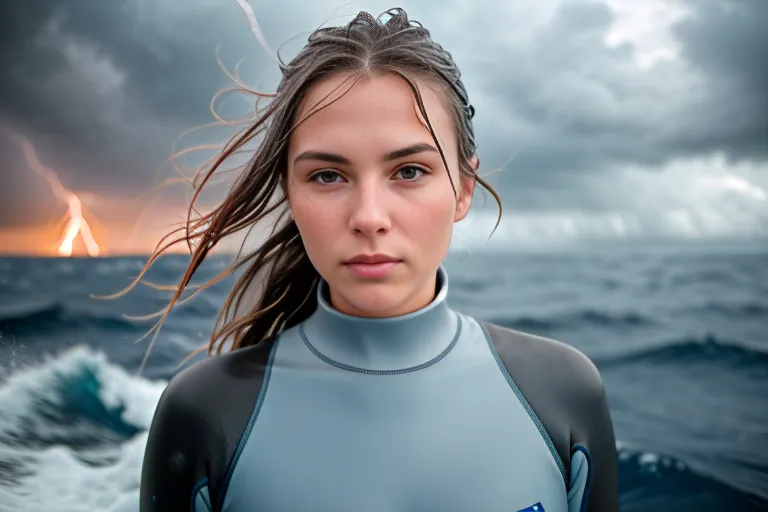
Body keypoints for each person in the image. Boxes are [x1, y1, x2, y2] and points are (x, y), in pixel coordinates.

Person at [138, 8, 618, 512]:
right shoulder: (206, 412)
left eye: (409, 171)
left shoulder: (561, 392)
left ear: (464, 190)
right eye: (327, 176)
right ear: (290, 194)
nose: (369, 217)